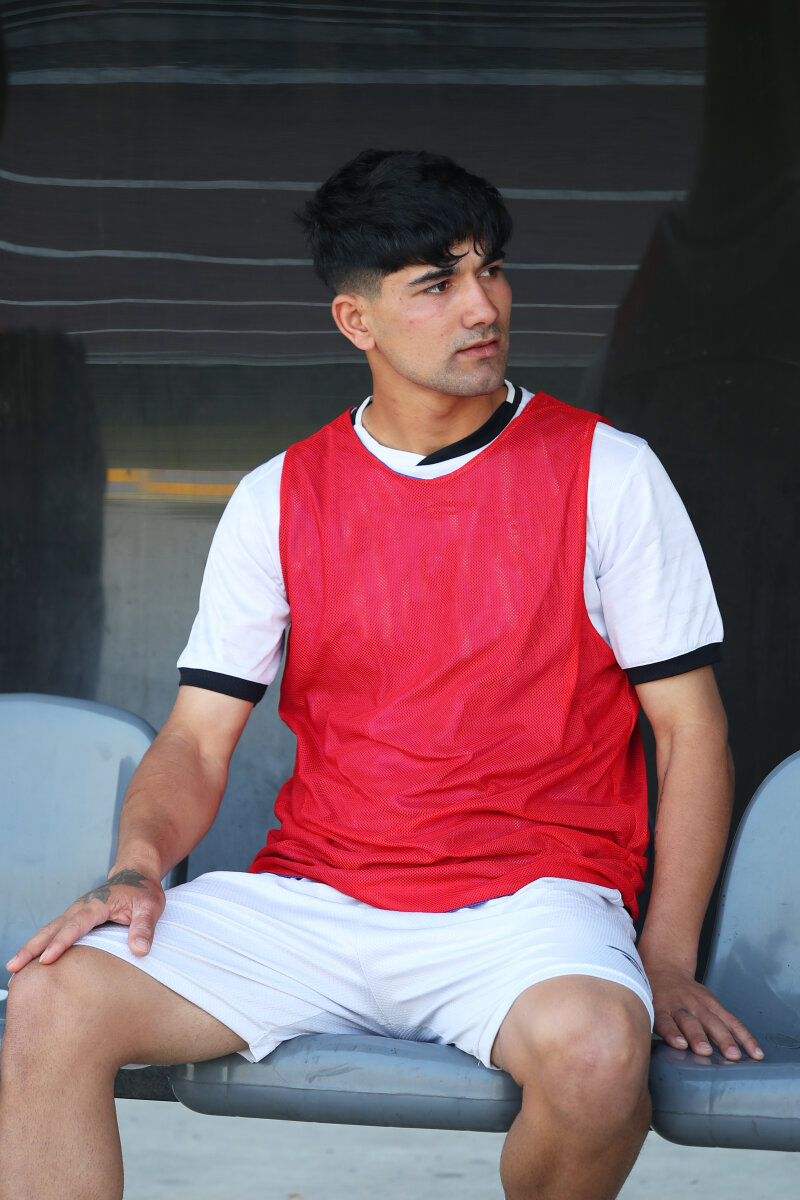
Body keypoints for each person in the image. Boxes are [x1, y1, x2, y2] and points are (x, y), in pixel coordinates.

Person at [0, 149, 762, 1200]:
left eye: (490, 270)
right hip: (314, 900)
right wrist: (137, 866)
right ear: (355, 321)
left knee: (595, 1060)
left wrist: (666, 958)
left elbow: (691, 733)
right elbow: (197, 739)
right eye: (436, 284)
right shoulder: (278, 495)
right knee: (51, 1000)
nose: (481, 306)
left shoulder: (609, 472)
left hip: (530, 908)